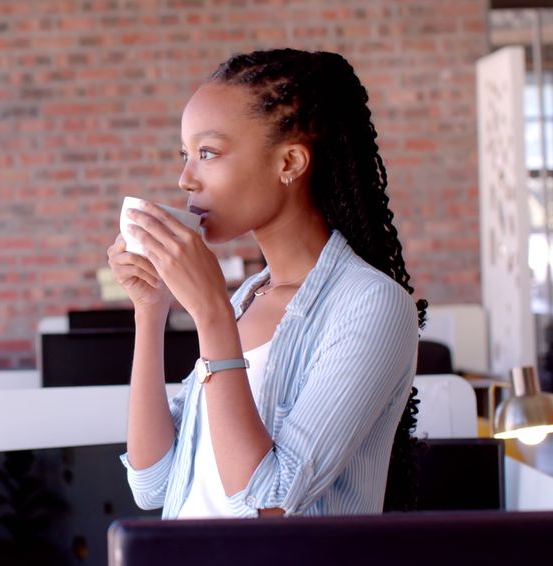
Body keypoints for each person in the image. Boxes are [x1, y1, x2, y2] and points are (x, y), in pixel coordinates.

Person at [107, 48, 425, 518]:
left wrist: (212, 315)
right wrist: (151, 310)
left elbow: (271, 499)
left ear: (290, 162)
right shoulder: (244, 301)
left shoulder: (371, 306)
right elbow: (152, 483)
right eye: (185, 155)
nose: (185, 179)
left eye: (208, 153)